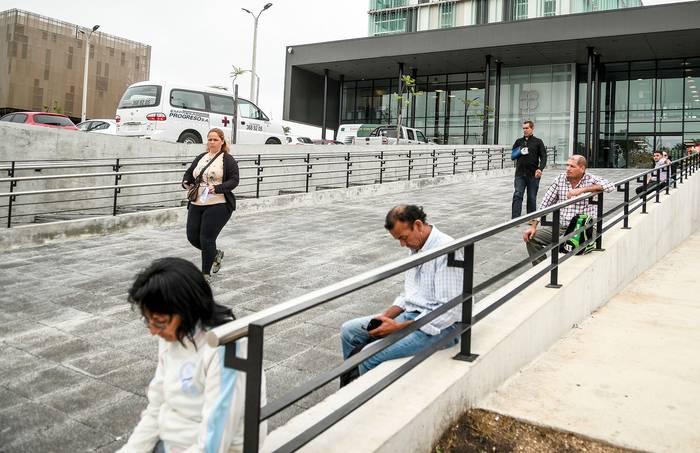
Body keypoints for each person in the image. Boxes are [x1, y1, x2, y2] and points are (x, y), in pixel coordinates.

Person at [118, 257, 266, 453]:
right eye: (148, 321)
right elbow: (157, 406)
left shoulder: (225, 348)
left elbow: (214, 442)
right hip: (171, 442)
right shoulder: (173, 336)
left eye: (160, 321)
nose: (153, 331)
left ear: (186, 309)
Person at [340, 205, 462, 375]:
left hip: (442, 327)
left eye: (403, 237)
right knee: (349, 331)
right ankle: (350, 382)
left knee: (369, 357)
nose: (402, 244)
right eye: (398, 239)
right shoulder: (416, 246)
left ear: (418, 225)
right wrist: (385, 317)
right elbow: (409, 294)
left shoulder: (448, 250)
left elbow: (448, 312)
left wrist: (399, 328)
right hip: (414, 316)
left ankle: (362, 395)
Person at [523, 155, 615, 265]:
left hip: (585, 227)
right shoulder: (560, 179)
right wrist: (533, 226)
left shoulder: (590, 179)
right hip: (563, 227)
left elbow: (611, 186)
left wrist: (582, 190)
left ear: (582, 168)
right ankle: (541, 271)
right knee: (532, 238)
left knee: (565, 242)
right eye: (567, 165)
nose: (568, 168)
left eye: (572, 166)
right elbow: (545, 203)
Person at [182, 128, 239, 279]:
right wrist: (186, 182)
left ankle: (205, 274)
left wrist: (218, 188)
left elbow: (234, 180)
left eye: (215, 139)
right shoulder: (201, 157)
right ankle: (215, 253)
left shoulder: (227, 159)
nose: (212, 142)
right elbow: (189, 172)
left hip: (218, 203)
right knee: (192, 236)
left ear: (222, 142)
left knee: (206, 238)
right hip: (198, 201)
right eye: (210, 139)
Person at [511, 120, 548, 219]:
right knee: (518, 195)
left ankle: (531, 218)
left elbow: (544, 157)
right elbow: (513, 156)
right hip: (520, 174)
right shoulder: (519, 141)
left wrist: (540, 169)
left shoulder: (538, 142)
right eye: (523, 128)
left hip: (533, 174)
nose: (525, 130)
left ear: (532, 128)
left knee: (531, 196)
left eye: (527, 128)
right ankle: (515, 219)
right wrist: (519, 151)